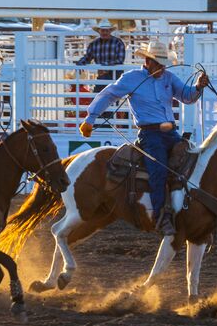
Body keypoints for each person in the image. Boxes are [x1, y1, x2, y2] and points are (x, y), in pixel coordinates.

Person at [78, 41, 208, 235]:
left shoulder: (169, 78)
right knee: (158, 170)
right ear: (148, 61)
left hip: (171, 133)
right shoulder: (132, 78)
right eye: (159, 63)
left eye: (164, 64)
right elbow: (108, 95)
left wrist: (198, 86)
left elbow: (187, 97)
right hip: (150, 135)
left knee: (192, 161)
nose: (163, 67)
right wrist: (91, 118)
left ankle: (192, 209)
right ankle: (160, 216)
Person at [75, 19, 126, 86]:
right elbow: (88, 57)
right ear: (99, 31)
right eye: (102, 30)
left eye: (106, 30)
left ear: (110, 31)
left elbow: (120, 60)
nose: (104, 32)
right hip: (103, 75)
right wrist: (80, 63)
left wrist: (104, 66)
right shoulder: (94, 44)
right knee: (100, 92)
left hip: (115, 74)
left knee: (100, 92)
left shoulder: (118, 42)